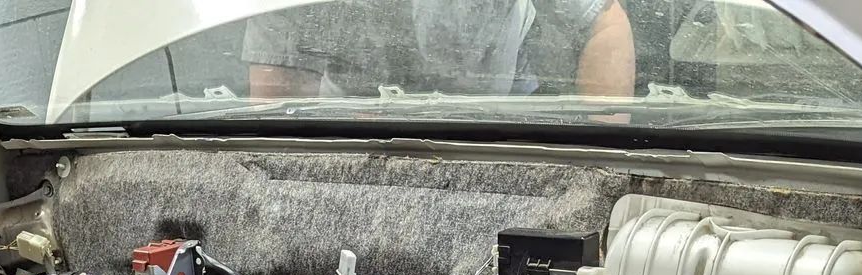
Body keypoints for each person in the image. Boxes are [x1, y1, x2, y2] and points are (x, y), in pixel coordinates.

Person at [243, 0, 635, 102]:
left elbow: (604, 25)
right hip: (355, 131)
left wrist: (599, 173)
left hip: (504, 121)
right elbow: (278, 93)